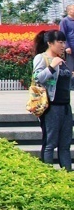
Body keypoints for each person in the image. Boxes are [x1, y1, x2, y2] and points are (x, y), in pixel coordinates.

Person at [34, 30, 72, 169]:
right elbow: (37, 78)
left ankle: (67, 177)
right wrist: (51, 66)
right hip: (51, 107)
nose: (63, 45)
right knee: (50, 143)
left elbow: (65, 82)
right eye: (60, 42)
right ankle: (47, 174)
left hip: (65, 107)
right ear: (50, 43)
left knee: (65, 145)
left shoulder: (62, 60)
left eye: (64, 42)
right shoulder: (42, 58)